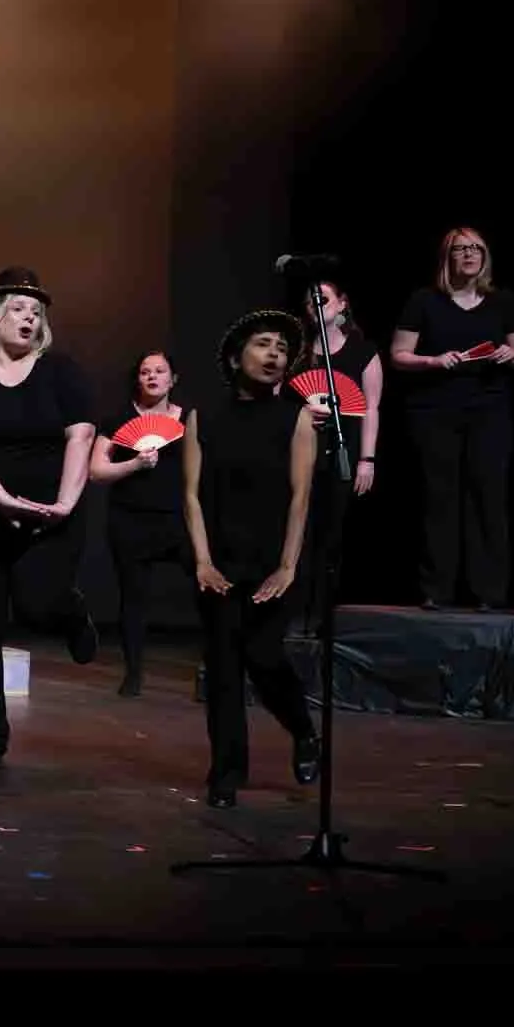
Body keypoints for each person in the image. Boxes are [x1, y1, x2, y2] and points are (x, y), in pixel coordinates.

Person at [0, 267, 100, 769]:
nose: (29, 318)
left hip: (49, 517)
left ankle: (69, 613)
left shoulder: (61, 370)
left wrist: (67, 503)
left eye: (37, 312)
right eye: (19, 308)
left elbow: (82, 437)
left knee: (37, 602)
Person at [183, 310, 321, 809]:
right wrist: (202, 561)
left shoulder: (296, 417)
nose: (275, 356)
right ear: (235, 355)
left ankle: (304, 730)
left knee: (263, 657)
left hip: (271, 561)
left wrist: (286, 567)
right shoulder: (203, 415)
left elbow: (300, 497)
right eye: (264, 345)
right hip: (218, 560)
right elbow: (192, 495)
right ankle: (226, 772)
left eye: (282, 350)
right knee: (222, 667)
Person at [388, 227, 514, 609]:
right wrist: (433, 360)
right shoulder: (424, 300)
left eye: (476, 248)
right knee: (440, 500)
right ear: (447, 257)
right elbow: (399, 354)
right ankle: (437, 591)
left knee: (488, 499)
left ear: (485, 256)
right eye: (460, 249)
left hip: (489, 410)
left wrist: (507, 354)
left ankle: (490, 593)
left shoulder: (503, 301)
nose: (469, 254)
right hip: (434, 412)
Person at [89, 351, 189, 695]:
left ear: (173, 379)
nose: (152, 377)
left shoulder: (189, 419)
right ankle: (133, 674)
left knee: (210, 590)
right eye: (145, 371)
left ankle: (221, 670)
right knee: (133, 599)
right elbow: (96, 471)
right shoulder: (118, 419)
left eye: (160, 371)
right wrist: (134, 465)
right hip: (130, 520)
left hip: (180, 520)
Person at [291, 278, 386, 632]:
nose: (317, 304)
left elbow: (372, 407)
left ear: (342, 304)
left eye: (324, 298)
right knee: (298, 535)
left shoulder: (363, 351)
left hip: (342, 452)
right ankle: (294, 615)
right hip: (301, 454)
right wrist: (302, 413)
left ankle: (321, 620)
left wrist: (367, 459)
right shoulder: (299, 353)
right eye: (311, 300)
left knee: (330, 538)